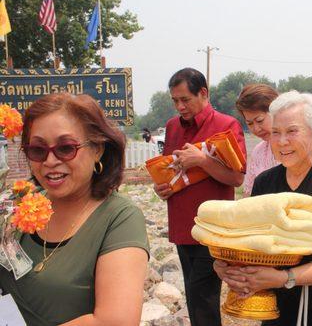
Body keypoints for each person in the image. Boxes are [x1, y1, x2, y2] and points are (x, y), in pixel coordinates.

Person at [215, 91, 312, 326]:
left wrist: (284, 278)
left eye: (292, 131)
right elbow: (253, 243)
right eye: (276, 132)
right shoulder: (265, 182)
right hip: (278, 307)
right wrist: (226, 265)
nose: (281, 141)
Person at [0, 93, 149, 325]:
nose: (50, 161)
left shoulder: (120, 219)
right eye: (38, 150)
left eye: (66, 148)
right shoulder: (23, 205)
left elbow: (115, 321)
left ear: (98, 148)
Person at [153, 68, 246, 326]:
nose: (180, 106)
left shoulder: (227, 125)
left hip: (213, 227)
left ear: (203, 93)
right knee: (195, 295)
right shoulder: (172, 127)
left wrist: (203, 160)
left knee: (203, 294)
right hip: (183, 224)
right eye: (175, 101)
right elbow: (171, 170)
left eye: (185, 99)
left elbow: (237, 178)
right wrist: (161, 187)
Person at [235, 83, 312, 197]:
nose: (256, 128)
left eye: (260, 120)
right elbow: (249, 199)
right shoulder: (258, 152)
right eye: (249, 123)